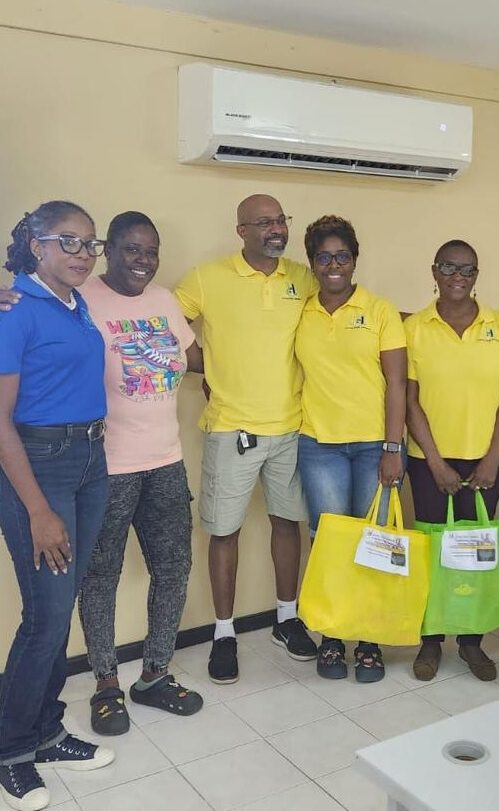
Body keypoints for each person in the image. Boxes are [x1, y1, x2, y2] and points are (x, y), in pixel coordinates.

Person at [175, 194, 317, 686]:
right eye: (264, 222)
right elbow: (160, 322)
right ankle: (224, 633)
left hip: (293, 427)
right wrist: (203, 365)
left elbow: (345, 313)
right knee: (224, 531)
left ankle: (285, 618)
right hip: (231, 428)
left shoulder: (304, 276)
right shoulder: (206, 277)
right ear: (241, 230)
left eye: (281, 219)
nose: (276, 228)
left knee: (287, 524)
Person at [0, 203, 114, 811]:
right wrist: (39, 510)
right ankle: (12, 750)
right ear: (35, 245)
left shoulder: (76, 302)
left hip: (89, 463)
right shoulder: (14, 311)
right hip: (38, 470)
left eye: (89, 244)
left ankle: (46, 730)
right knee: (45, 616)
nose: (81, 253)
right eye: (67, 241)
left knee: (61, 602)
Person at [76, 212, 205, 733]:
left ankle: (154, 675)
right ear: (108, 250)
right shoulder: (81, 298)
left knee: (173, 570)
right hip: (106, 468)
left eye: (150, 251)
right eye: (131, 249)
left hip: (166, 462)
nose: (142, 261)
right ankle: (106, 685)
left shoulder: (165, 300)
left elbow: (194, 358)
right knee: (100, 577)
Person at [295, 215, 407, 684]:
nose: (334, 264)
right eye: (324, 257)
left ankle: (368, 641)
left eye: (342, 256)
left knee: (372, 543)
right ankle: (332, 637)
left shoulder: (380, 311)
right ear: (313, 263)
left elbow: (398, 384)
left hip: (372, 447)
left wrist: (392, 447)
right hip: (319, 443)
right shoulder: (301, 311)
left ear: (355, 260)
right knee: (328, 545)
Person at [405, 240, 499, 682]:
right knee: (435, 551)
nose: (458, 277)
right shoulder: (414, 328)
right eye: (449, 268)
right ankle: (431, 640)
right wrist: (434, 463)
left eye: (467, 269)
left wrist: (494, 457)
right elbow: (410, 400)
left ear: (477, 275)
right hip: (429, 458)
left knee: (476, 551)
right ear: (434, 271)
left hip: (486, 459)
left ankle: (472, 641)